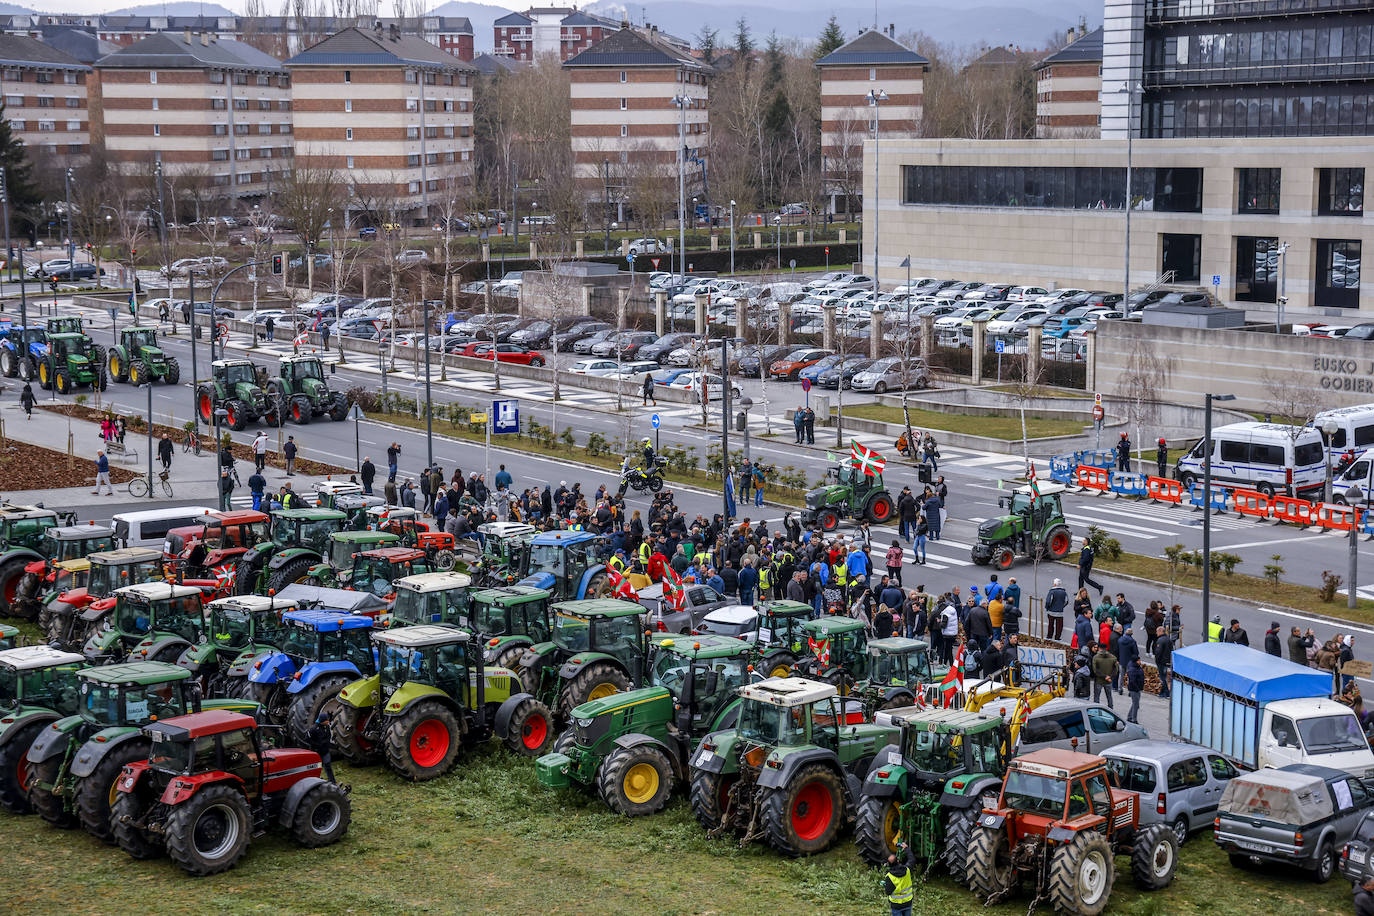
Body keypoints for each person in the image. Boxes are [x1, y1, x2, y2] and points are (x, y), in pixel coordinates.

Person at [882, 851, 914, 916]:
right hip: (908, 902)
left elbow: (888, 892)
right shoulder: (907, 870)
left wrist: (885, 885)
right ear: (898, 861)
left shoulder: (889, 876)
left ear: (888, 864)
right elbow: (912, 859)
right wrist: (906, 849)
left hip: (896, 905)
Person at [308, 712, 336, 782]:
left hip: (325, 751)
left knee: (328, 766)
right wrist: (317, 745)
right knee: (317, 767)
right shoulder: (313, 729)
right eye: (327, 720)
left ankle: (332, 782)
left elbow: (329, 735)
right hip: (317, 752)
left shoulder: (326, 727)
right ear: (322, 721)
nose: (328, 721)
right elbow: (308, 739)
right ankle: (315, 781)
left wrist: (327, 744)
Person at [1090, 642, 1118, 708]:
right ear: (1106, 648)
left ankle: (1097, 710)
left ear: (1099, 648)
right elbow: (1116, 669)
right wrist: (1109, 677)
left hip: (1098, 681)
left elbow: (1095, 670)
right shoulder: (1113, 657)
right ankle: (1111, 709)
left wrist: (1104, 676)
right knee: (1109, 697)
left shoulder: (1095, 657)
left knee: (1096, 697)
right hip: (1108, 681)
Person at [1153, 626, 1174, 698]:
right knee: (1164, 677)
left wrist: (1157, 660)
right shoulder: (1168, 639)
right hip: (1167, 661)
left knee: (1162, 678)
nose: (1156, 633)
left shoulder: (1160, 640)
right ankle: (1162, 693)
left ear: (1160, 631)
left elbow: (1158, 652)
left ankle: (1166, 693)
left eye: (1157, 631)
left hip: (1161, 662)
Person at [1125, 658, 1145, 724]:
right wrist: (1137, 688)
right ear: (1136, 661)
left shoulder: (1137, 667)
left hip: (1137, 689)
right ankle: (1134, 719)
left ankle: (1129, 717)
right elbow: (1132, 681)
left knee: (1135, 704)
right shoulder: (1133, 669)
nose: (1140, 661)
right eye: (1139, 660)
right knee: (1136, 705)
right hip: (1134, 689)